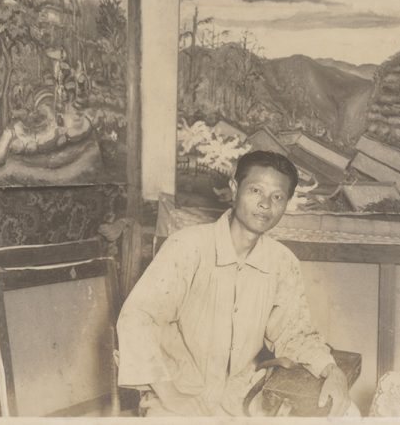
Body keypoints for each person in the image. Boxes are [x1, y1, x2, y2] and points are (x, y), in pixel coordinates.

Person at [116, 150, 354, 416]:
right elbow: (137, 317)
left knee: (346, 413)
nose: (265, 204)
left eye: (277, 197)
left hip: (243, 396)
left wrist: (332, 371)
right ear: (234, 188)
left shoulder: (282, 261)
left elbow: (294, 333)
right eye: (255, 190)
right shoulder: (187, 246)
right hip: (179, 394)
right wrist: (171, 395)